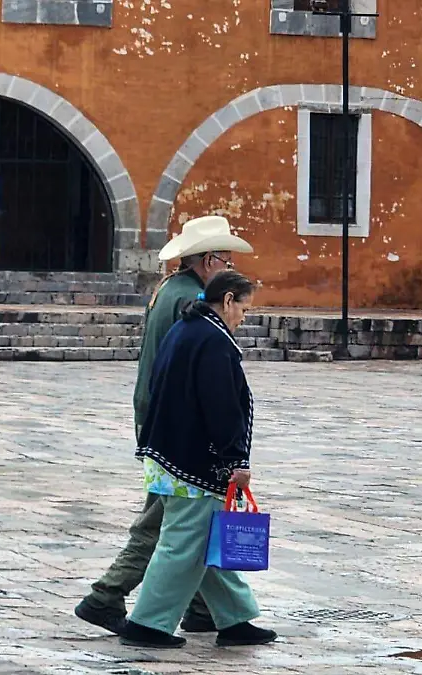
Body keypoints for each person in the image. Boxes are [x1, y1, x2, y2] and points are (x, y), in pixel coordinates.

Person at [75, 215, 253, 635]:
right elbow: (202, 380)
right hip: (178, 429)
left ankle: (211, 610)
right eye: (226, 260)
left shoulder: (167, 290)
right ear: (209, 261)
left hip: (158, 417)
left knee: (191, 517)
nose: (229, 268)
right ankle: (107, 596)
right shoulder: (193, 302)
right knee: (168, 520)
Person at [120, 270, 276, 648]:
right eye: (244, 308)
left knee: (204, 538)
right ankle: (147, 624)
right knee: (184, 543)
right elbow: (221, 406)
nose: (243, 317)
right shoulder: (213, 341)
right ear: (227, 301)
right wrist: (235, 459)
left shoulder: (185, 330)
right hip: (191, 461)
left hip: (166, 452)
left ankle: (235, 619)